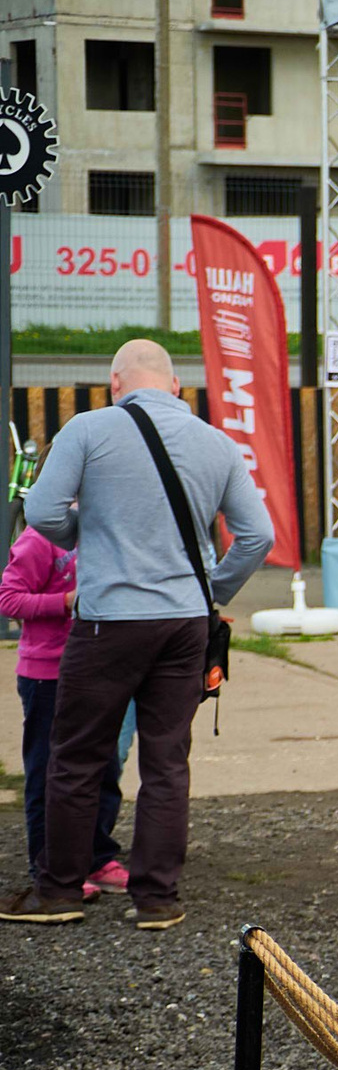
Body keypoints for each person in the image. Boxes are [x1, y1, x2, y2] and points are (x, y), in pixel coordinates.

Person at [0, 339, 272, 930]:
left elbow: (42, 510)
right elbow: (257, 538)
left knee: (76, 757)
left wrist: (86, 541)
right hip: (185, 624)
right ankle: (157, 900)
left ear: (115, 383)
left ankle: (59, 891)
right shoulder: (217, 442)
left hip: (109, 620)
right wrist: (214, 593)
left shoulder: (89, 429)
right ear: (175, 386)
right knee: (168, 760)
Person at [2, 525, 136, 900]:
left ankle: (96, 858)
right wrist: (64, 602)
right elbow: (8, 599)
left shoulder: (107, 530)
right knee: (47, 772)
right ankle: (48, 865)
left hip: (98, 670)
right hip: (47, 676)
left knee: (104, 767)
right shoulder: (38, 539)